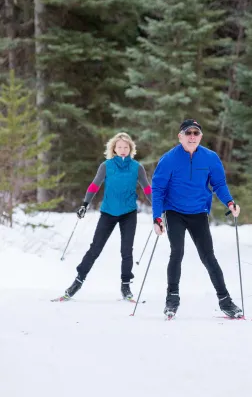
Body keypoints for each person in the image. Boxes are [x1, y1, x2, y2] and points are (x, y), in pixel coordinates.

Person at [152, 119, 242, 318]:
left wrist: (230, 203)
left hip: (198, 212)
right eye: (188, 133)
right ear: (180, 136)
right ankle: (172, 299)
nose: (192, 136)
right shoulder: (169, 159)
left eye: (196, 133)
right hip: (174, 211)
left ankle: (225, 301)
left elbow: (219, 184)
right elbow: (158, 189)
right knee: (177, 252)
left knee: (208, 256)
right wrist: (157, 218)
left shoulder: (210, 158)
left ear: (200, 136)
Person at [62, 132, 152, 301]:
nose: (123, 150)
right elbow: (95, 185)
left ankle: (126, 286)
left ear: (131, 149)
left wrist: (158, 206)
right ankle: (78, 281)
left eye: (126, 147)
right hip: (108, 212)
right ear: (114, 149)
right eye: (119, 147)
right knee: (95, 247)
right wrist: (84, 204)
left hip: (128, 213)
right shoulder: (106, 166)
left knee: (127, 250)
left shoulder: (136, 167)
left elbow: (147, 188)